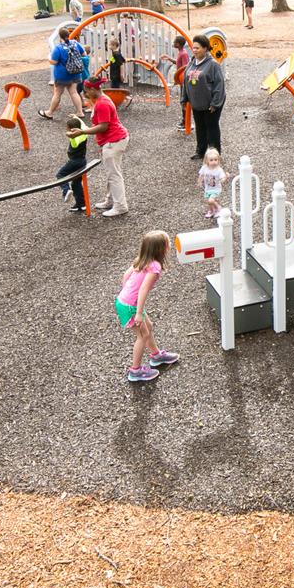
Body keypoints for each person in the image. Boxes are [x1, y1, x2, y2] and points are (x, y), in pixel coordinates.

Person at [117, 230, 178, 382]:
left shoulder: (142, 259)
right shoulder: (155, 267)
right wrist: (138, 312)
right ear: (163, 248)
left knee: (148, 326)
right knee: (142, 335)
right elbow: (144, 289)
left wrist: (126, 293)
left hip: (125, 301)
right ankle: (135, 371)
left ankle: (156, 355)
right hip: (131, 305)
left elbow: (125, 276)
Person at [73, 81, 131, 217]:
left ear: (93, 89)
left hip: (113, 141)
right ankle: (111, 200)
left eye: (86, 91)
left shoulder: (102, 104)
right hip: (114, 140)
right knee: (113, 173)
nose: (85, 94)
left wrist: (83, 132)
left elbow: (103, 126)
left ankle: (120, 206)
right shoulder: (102, 99)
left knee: (114, 174)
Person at [184, 34, 226, 160]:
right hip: (197, 102)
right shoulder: (191, 63)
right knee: (200, 127)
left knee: (211, 127)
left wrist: (215, 103)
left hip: (211, 104)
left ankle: (214, 154)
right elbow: (185, 82)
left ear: (205, 48)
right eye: (193, 47)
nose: (194, 50)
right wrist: (184, 98)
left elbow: (219, 86)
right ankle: (201, 151)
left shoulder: (213, 65)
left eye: (197, 48)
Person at [42, 27, 88, 119]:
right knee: (74, 92)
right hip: (76, 72)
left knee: (58, 93)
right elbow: (84, 55)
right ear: (68, 35)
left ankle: (50, 112)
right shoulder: (76, 43)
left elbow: (54, 62)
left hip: (62, 75)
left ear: (60, 37)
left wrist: (48, 58)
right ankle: (80, 112)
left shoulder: (58, 48)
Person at [57, 116, 92, 213]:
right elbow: (84, 126)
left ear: (71, 129)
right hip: (82, 161)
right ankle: (81, 205)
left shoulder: (74, 139)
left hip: (74, 162)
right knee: (76, 183)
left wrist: (69, 133)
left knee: (60, 174)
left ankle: (66, 190)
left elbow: (70, 135)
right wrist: (76, 117)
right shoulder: (84, 134)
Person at [198, 147, 227, 223]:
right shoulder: (204, 168)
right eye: (211, 160)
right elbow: (201, 175)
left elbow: (222, 178)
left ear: (218, 160)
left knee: (211, 200)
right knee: (208, 201)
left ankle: (218, 208)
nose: (214, 162)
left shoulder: (219, 170)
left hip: (216, 189)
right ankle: (211, 211)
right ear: (207, 161)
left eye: (215, 160)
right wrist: (200, 181)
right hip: (208, 188)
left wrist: (225, 178)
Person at [170, 35, 191, 130]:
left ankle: (185, 121)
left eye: (174, 42)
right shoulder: (181, 53)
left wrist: (178, 79)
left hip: (184, 82)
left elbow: (185, 68)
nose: (173, 43)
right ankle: (184, 120)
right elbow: (179, 64)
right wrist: (169, 58)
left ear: (178, 44)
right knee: (182, 101)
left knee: (184, 101)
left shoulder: (184, 54)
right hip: (182, 81)